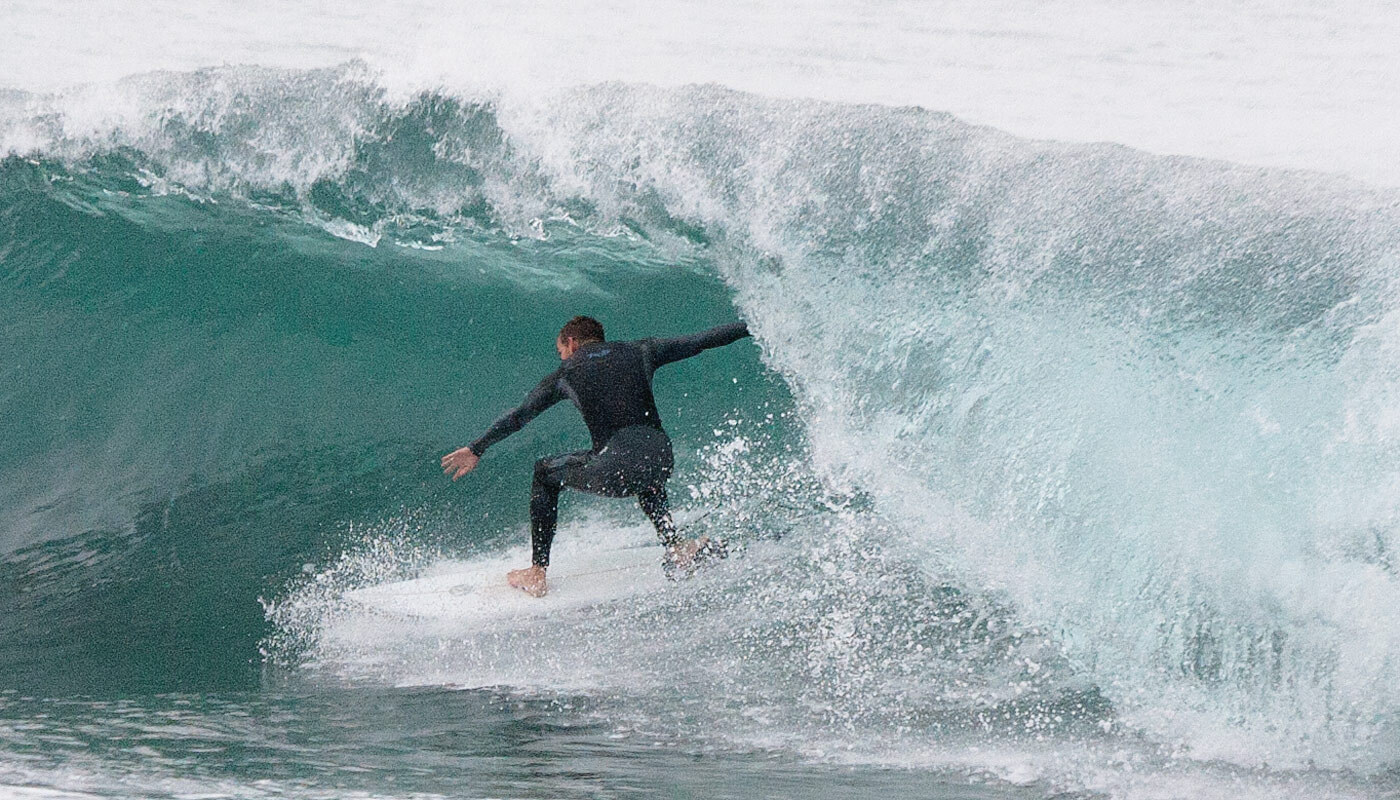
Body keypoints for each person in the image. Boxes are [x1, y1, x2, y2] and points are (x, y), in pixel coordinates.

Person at [440, 315, 751, 597]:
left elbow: (519, 416)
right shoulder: (642, 350)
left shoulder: (568, 372)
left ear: (572, 343)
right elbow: (704, 340)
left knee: (545, 472)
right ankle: (675, 547)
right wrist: (754, 323)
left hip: (616, 469)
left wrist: (477, 448)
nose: (561, 356)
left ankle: (537, 572)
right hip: (662, 459)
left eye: (560, 350)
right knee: (645, 468)